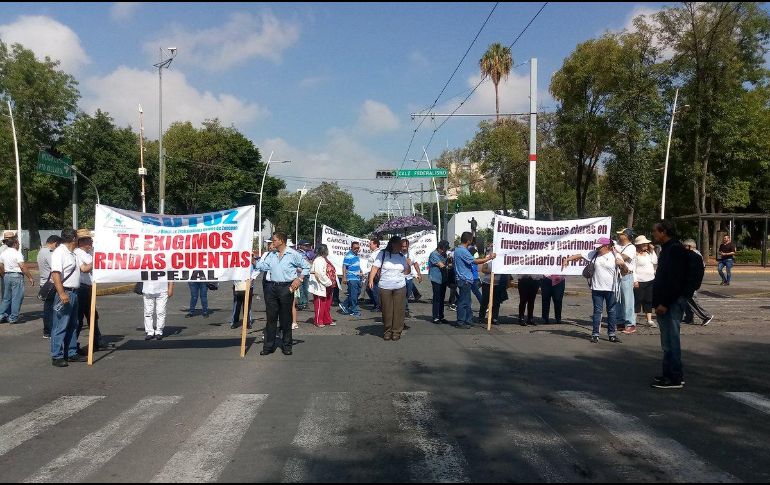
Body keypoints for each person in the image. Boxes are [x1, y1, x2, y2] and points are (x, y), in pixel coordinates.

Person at [562, 236, 628, 344]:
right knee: (597, 311)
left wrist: (623, 265)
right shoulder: (594, 254)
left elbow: (625, 271)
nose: (597, 248)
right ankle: (595, 334)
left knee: (611, 311)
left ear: (606, 246)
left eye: (599, 247)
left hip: (611, 289)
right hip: (597, 288)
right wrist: (567, 259)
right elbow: (579, 255)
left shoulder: (615, 255)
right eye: (597, 247)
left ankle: (612, 334)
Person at [253, 232, 310, 355]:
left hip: (286, 287)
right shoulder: (272, 255)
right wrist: (253, 261)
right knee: (271, 318)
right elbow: (263, 267)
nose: (272, 243)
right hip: (272, 287)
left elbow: (306, 267)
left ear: (281, 241)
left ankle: (287, 345)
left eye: (274, 240)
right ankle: (268, 346)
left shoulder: (293, 254)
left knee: (286, 318)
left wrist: (299, 279)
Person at [650, 220, 691, 389]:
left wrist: (665, 303)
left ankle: (674, 377)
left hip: (671, 303)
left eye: (655, 231)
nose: (653, 234)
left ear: (664, 232)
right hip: (666, 302)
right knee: (667, 342)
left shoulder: (674, 250)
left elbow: (674, 281)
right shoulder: (667, 249)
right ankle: (669, 374)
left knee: (672, 341)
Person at [50, 229, 85, 367]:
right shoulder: (60, 252)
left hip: (74, 292)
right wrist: (62, 293)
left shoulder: (73, 253)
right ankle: (56, 355)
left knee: (73, 324)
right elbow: (56, 274)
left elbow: (83, 268)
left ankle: (70, 352)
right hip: (65, 292)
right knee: (60, 325)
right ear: (74, 239)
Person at [369, 236, 410, 341]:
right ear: (393, 244)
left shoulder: (402, 257)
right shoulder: (382, 254)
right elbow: (375, 267)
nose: (401, 246)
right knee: (386, 310)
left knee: (399, 310)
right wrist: (371, 280)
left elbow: (407, 272)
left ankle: (396, 331)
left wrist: (408, 265)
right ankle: (387, 331)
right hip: (385, 286)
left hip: (400, 286)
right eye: (399, 244)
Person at [453, 232, 496, 329]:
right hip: (464, 279)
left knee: (467, 301)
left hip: (465, 279)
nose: (472, 241)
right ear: (468, 240)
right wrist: (488, 258)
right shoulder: (462, 251)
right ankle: (461, 321)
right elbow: (475, 261)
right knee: (463, 302)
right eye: (471, 239)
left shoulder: (460, 250)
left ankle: (468, 320)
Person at [74, 229, 102, 352]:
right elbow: (84, 269)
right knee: (79, 318)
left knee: (92, 315)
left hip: (88, 287)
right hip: (82, 287)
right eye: (88, 239)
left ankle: (96, 341)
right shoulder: (78, 253)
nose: (91, 241)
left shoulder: (88, 252)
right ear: (82, 241)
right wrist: (96, 262)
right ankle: (72, 345)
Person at [0, 235, 35, 324]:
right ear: (15, 243)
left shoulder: (3, 253)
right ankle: (13, 317)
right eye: (18, 243)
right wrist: (30, 277)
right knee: (17, 297)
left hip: (7, 275)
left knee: (6, 298)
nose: (19, 244)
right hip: (16, 275)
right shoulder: (17, 253)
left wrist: (4, 274)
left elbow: (1, 265)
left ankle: (1, 315)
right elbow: (22, 266)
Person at [682, 239, 713, 326]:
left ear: (689, 247)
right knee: (687, 300)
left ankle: (706, 316)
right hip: (689, 283)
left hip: (691, 283)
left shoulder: (695, 256)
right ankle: (689, 317)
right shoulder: (690, 255)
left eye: (684, 246)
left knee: (692, 300)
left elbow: (696, 271)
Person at [37, 235, 62, 338]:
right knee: (52, 309)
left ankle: (48, 330)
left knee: (48, 308)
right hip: (51, 283)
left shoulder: (41, 251)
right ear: (55, 243)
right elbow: (55, 267)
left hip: (44, 283)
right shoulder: (49, 253)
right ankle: (49, 330)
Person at [615, 228, 638, 334]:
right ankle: (620, 321)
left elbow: (623, 258)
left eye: (621, 234)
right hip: (617, 276)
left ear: (626, 236)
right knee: (617, 299)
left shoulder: (631, 247)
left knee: (628, 300)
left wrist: (614, 252)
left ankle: (630, 323)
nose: (619, 236)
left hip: (626, 276)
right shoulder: (618, 246)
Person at [633, 235, 657, 328]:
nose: (646, 245)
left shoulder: (649, 253)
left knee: (648, 300)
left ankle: (649, 320)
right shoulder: (635, 254)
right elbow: (633, 269)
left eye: (647, 243)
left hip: (650, 280)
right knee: (637, 300)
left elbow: (655, 261)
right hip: (639, 280)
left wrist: (652, 250)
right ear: (639, 245)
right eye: (644, 244)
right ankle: (633, 319)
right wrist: (635, 280)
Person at [309, 244, 336, 327]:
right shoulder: (319, 260)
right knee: (320, 304)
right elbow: (320, 274)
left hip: (328, 285)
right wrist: (328, 282)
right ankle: (318, 321)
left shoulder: (325, 259)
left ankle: (327, 319)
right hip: (322, 285)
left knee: (327, 304)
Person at [479, 252, 508, 325]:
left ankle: (494, 318)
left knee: (496, 302)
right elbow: (483, 269)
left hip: (498, 284)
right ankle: (481, 317)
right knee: (485, 301)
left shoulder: (502, 259)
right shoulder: (489, 258)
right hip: (487, 283)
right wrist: (491, 272)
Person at [428, 240, 450, 324]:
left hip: (443, 279)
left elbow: (447, 264)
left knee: (442, 298)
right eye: (444, 249)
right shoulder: (434, 254)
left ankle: (441, 316)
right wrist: (448, 265)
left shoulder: (444, 255)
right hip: (436, 279)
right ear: (440, 248)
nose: (445, 251)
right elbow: (441, 265)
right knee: (437, 298)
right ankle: (435, 317)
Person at [339, 241, 363, 317]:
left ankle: (345, 304)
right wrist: (344, 277)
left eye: (358, 248)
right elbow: (344, 266)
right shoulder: (348, 256)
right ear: (351, 248)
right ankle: (354, 311)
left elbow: (357, 265)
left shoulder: (356, 255)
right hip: (351, 278)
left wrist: (361, 271)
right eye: (355, 248)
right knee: (354, 295)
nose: (357, 249)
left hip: (357, 278)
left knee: (357, 293)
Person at [401, 239, 423, 318]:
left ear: (408, 246)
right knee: (402, 295)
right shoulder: (398, 254)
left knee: (408, 294)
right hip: (401, 278)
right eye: (402, 246)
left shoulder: (411, 254)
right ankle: (405, 310)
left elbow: (415, 264)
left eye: (405, 246)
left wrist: (419, 274)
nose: (404, 248)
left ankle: (404, 308)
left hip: (409, 278)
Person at [365, 238, 382, 311]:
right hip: (371, 272)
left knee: (373, 289)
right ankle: (375, 302)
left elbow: (375, 265)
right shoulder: (374, 252)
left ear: (375, 244)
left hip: (374, 274)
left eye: (370, 244)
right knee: (369, 289)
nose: (369, 245)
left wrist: (365, 271)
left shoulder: (377, 253)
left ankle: (378, 305)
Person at [297, 240, 312, 310]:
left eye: (307, 245)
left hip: (306, 273)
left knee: (306, 289)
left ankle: (305, 303)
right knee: (300, 289)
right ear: (301, 246)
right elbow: (295, 263)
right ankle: (300, 304)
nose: (307, 246)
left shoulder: (307, 253)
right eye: (305, 245)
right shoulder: (297, 253)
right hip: (300, 273)